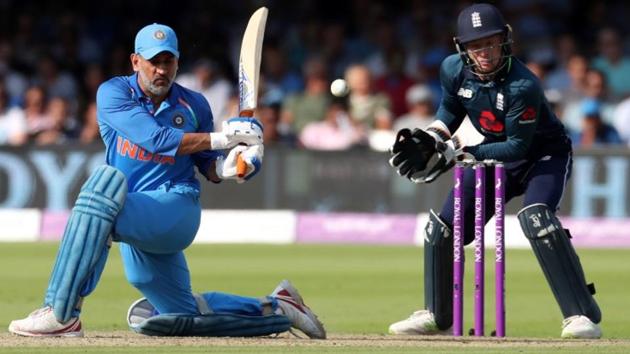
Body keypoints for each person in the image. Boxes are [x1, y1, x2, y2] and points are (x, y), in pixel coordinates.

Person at [8, 23, 325, 340]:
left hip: (176, 209)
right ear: (135, 62)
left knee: (101, 188)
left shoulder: (194, 104)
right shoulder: (114, 93)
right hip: (135, 214)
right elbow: (155, 139)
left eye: (168, 62)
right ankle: (278, 306)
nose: (161, 70)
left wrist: (236, 165)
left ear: (177, 62)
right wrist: (225, 137)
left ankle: (61, 313)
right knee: (184, 315)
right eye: (153, 62)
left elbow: (209, 168)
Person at [388, 4, 601, 339]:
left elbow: (517, 146)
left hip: (543, 154)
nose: (484, 52)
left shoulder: (523, 84)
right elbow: (451, 107)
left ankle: (579, 315)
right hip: (492, 153)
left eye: (490, 42)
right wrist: (436, 135)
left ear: (505, 39)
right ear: (462, 47)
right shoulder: (452, 69)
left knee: (537, 219)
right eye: (475, 45)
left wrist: (460, 152)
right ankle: (437, 315)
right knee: (441, 228)